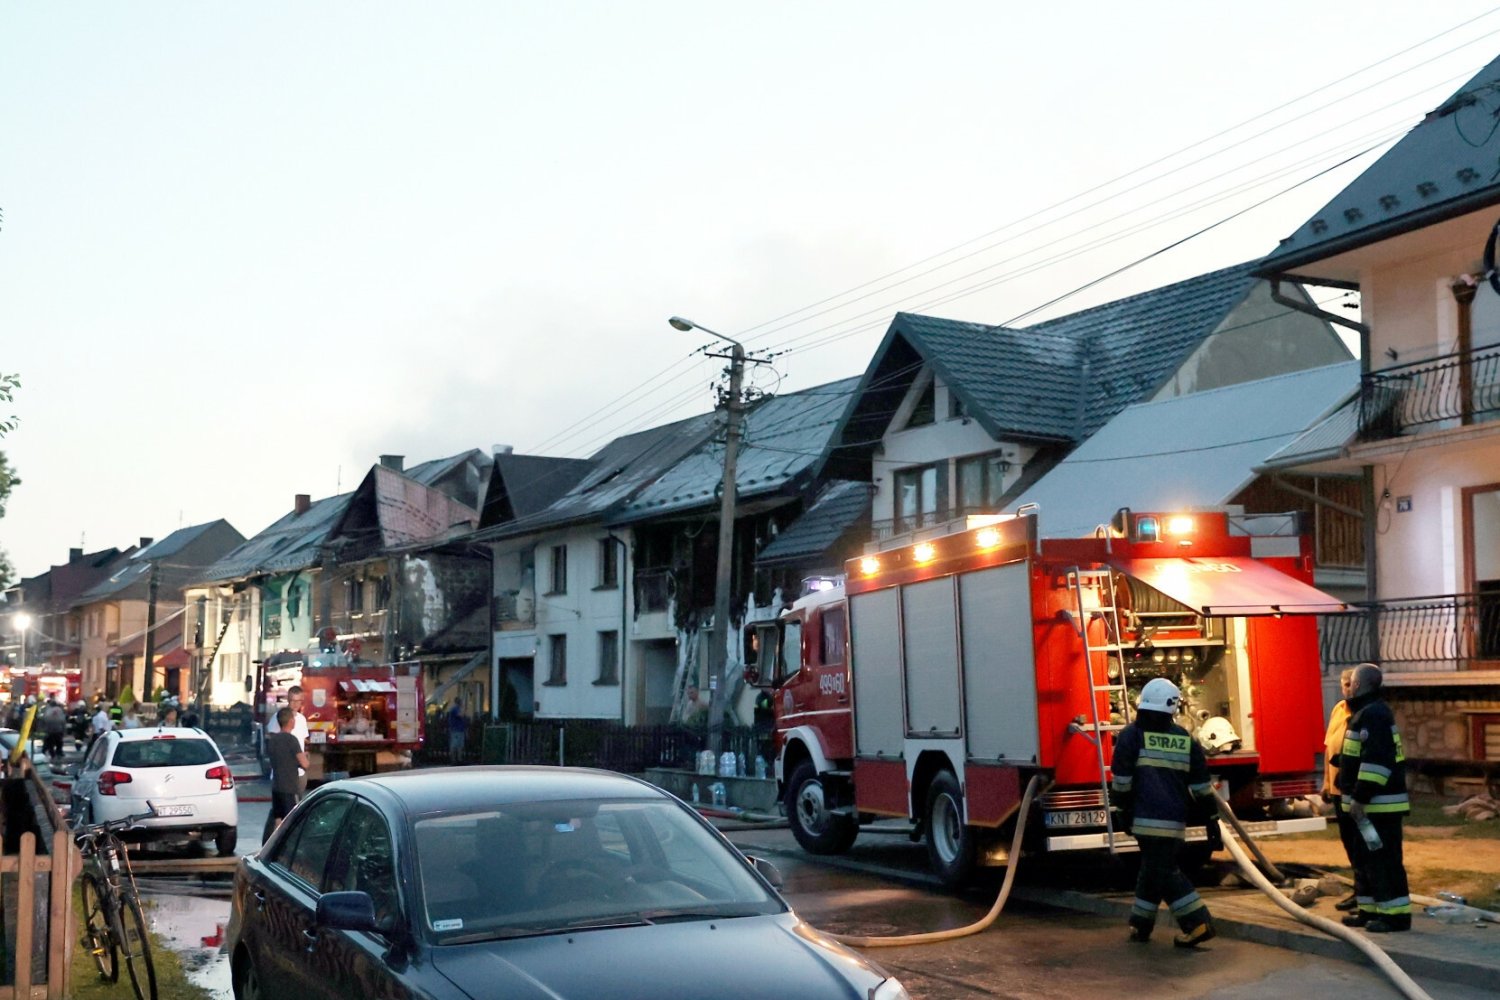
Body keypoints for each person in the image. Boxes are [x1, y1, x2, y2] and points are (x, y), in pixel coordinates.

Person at [1110, 677, 1217, 947]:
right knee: (1153, 869)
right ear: (1172, 707)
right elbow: (1202, 786)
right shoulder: (1185, 740)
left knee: (1164, 872)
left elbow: (1121, 780)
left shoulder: (1131, 736)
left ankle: (1197, 922)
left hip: (1144, 820)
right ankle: (1140, 924)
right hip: (1174, 821)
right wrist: (1211, 820)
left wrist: (1120, 810)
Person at [1338, 662, 1411, 933]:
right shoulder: (1365, 712)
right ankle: (1369, 910)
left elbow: (1376, 763)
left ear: (1358, 685)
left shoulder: (1373, 714)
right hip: (1367, 808)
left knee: (1384, 862)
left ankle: (1396, 917)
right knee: (1365, 861)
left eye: (1352, 682)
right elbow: (1360, 756)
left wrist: (1359, 797)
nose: (1349, 686)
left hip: (1378, 806)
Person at [1322, 668, 1360, 912]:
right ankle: (1360, 891)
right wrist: (1327, 783)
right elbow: (1329, 749)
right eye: (1344, 684)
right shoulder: (1339, 709)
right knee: (1349, 842)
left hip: (1354, 790)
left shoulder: (1363, 713)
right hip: (1338, 788)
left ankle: (1365, 892)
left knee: (1360, 844)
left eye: (1350, 684)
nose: (1346, 688)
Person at [263, 707, 309, 842]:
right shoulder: (292, 740)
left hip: (276, 787)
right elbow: (304, 763)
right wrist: (304, 758)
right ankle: (289, 847)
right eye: (293, 718)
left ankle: (274, 845)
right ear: (290, 721)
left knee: (278, 820)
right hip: (290, 787)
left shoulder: (273, 740)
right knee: (292, 820)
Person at [266, 686, 310, 791]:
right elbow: (273, 744)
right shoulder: (278, 717)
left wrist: (303, 756)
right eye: (292, 701)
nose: (295, 704)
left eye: (298, 701)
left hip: (299, 773)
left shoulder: (302, 719)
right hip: (282, 775)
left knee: (298, 805)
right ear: (288, 700)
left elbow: (302, 741)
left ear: (302, 701)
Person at [39, 696, 68, 764]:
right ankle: (58, 753)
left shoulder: (47, 710)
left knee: (50, 743)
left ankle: (52, 754)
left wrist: (43, 728)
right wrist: (64, 730)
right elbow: (63, 720)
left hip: (50, 730)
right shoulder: (60, 710)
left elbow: (44, 719)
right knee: (59, 742)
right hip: (58, 730)